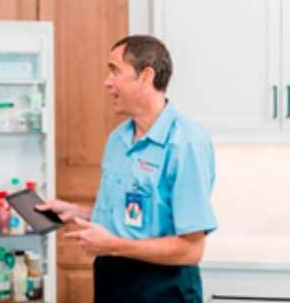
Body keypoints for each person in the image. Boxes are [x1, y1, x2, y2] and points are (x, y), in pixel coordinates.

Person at [36, 35, 217, 302]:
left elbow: (191, 249)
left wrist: (114, 245)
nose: (107, 82)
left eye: (115, 71)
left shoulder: (186, 143)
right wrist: (77, 212)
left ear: (146, 77)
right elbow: (138, 215)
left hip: (162, 288)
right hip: (111, 279)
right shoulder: (118, 138)